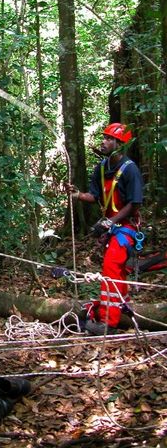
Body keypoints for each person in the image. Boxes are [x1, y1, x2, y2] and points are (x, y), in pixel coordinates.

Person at [67, 123, 143, 335]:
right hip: (111, 227)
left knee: (111, 266)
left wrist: (111, 222)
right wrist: (77, 195)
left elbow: (134, 203)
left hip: (127, 226)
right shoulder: (101, 168)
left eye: (110, 139)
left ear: (120, 145)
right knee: (116, 270)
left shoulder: (130, 169)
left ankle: (108, 322)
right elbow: (95, 197)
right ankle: (122, 307)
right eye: (105, 138)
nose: (104, 142)